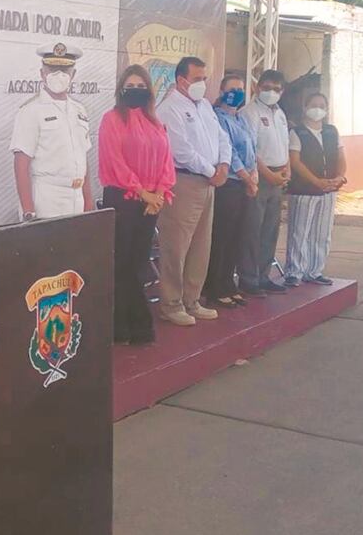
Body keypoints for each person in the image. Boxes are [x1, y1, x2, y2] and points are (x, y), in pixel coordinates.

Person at [98, 65, 176, 344]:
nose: (136, 90)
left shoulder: (155, 122)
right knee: (123, 266)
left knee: (139, 264)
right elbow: (114, 162)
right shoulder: (111, 120)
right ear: (121, 89)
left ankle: (132, 326)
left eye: (142, 86)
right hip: (123, 199)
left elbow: (167, 161)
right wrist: (143, 192)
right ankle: (130, 327)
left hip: (151, 203)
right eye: (131, 85)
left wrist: (160, 193)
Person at [155, 56, 232, 326]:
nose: (203, 84)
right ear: (181, 80)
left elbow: (222, 137)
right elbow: (181, 150)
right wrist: (213, 172)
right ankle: (171, 303)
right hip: (184, 181)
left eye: (204, 79)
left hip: (209, 182)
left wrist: (223, 164)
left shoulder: (204, 107)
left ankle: (192, 299)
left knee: (201, 244)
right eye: (198, 79)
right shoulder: (169, 108)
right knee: (176, 246)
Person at [11, 42, 95, 220]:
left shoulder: (80, 110)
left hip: (77, 199)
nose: (59, 75)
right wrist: (28, 210)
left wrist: (88, 202)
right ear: (42, 74)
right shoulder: (31, 111)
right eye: (53, 69)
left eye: (64, 70)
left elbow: (83, 160)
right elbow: (21, 164)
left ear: (73, 75)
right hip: (46, 201)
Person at [202, 73, 258, 309]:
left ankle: (229, 283)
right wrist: (246, 177)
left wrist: (254, 174)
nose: (237, 92)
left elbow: (252, 149)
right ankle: (215, 287)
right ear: (222, 91)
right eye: (233, 88)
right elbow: (230, 152)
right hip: (229, 184)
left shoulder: (241, 119)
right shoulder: (218, 117)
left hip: (245, 183)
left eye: (241, 88)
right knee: (222, 238)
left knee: (237, 237)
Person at [285, 92, 347, 286]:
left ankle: (315, 270)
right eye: (313, 105)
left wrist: (338, 177)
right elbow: (295, 162)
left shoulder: (331, 131)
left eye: (321, 105)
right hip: (304, 190)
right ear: (305, 108)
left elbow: (340, 156)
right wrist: (315, 181)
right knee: (299, 232)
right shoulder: (297, 133)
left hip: (329, 190)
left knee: (322, 232)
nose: (317, 109)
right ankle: (294, 271)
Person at [239, 69, 291, 296]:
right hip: (259, 177)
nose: (271, 93)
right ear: (257, 87)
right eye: (267, 88)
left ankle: (263, 275)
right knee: (253, 229)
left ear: (282, 92)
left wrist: (286, 169)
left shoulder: (280, 113)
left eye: (276, 89)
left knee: (271, 229)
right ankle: (249, 279)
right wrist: (268, 174)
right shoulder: (249, 112)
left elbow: (285, 144)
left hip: (278, 177)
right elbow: (249, 149)